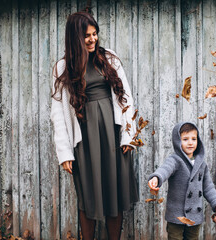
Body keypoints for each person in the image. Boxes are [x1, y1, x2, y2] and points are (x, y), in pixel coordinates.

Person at [50, 11, 138, 240]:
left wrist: (129, 135)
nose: (92, 39)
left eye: (95, 34)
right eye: (87, 36)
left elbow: (126, 97)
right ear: (75, 38)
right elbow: (58, 113)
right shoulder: (63, 67)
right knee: (87, 195)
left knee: (115, 192)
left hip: (113, 134)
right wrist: (64, 152)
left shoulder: (109, 58)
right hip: (84, 137)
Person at [148, 122, 216, 240]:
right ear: (178, 142)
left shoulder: (201, 164)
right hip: (176, 216)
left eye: (194, 139)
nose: (190, 142)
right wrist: (156, 177)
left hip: (195, 215)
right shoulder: (175, 160)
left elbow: (208, 187)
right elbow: (165, 169)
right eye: (185, 139)